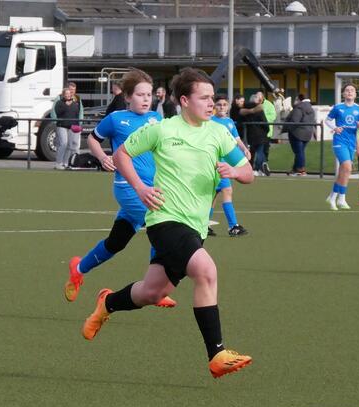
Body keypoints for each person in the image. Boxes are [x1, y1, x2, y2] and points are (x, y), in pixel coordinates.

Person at [81, 68, 254, 379]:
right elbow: (122, 155)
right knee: (206, 271)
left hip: (195, 227)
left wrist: (234, 171)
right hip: (165, 219)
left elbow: (248, 172)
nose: (211, 103)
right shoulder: (161, 129)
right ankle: (217, 354)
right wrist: (140, 188)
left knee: (152, 293)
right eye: (204, 98)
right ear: (185, 101)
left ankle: (108, 303)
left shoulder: (218, 133)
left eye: (212, 98)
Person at [65, 69, 176, 308]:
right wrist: (102, 157)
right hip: (128, 188)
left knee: (116, 242)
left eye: (149, 95)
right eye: (140, 94)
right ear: (127, 96)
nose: (146, 99)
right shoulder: (116, 119)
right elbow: (93, 138)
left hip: (152, 188)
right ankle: (154, 288)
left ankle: (79, 268)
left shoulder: (156, 119)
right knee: (160, 224)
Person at [209, 95, 252, 237]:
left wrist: (244, 149)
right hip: (215, 163)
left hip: (224, 163)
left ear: (228, 107)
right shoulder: (210, 122)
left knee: (214, 195)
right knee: (226, 190)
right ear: (214, 106)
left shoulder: (229, 122)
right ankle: (233, 226)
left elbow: (236, 139)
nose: (222, 107)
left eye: (224, 104)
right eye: (219, 104)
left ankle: (204, 225)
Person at [325, 83, 359, 210]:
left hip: (351, 143)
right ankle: (339, 198)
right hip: (339, 141)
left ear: (355, 94)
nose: (349, 92)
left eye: (352, 90)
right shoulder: (338, 107)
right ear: (343, 94)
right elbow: (327, 120)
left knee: (344, 171)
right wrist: (335, 127)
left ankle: (335, 197)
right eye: (347, 90)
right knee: (347, 167)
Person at [240, 90, 275, 175]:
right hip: (261, 134)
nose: (258, 98)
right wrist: (266, 130)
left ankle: (256, 168)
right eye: (257, 96)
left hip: (253, 134)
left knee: (254, 152)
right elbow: (265, 121)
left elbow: (272, 116)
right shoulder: (258, 109)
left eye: (259, 96)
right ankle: (258, 167)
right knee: (260, 151)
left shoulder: (247, 108)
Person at [284, 94, 315, 176]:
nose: (294, 101)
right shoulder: (311, 108)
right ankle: (295, 169)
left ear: (299, 100)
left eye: (296, 99)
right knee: (300, 152)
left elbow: (295, 121)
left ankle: (301, 169)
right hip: (308, 133)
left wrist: (287, 127)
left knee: (299, 152)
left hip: (297, 133)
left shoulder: (298, 108)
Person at [53, 88, 81, 170]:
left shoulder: (75, 103)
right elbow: (58, 112)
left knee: (69, 145)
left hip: (72, 127)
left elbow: (77, 115)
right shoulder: (59, 103)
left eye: (69, 93)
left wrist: (77, 125)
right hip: (62, 126)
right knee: (63, 143)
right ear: (63, 95)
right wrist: (66, 105)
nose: (68, 95)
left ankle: (65, 163)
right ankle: (58, 163)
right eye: (66, 94)